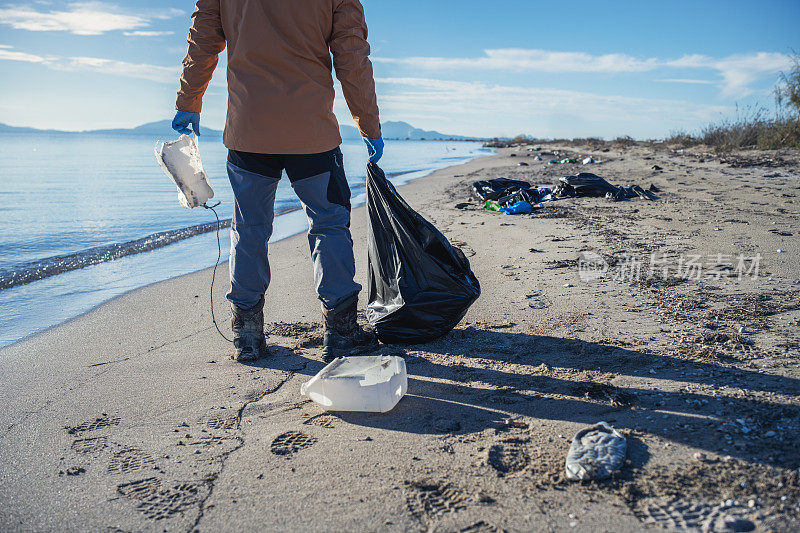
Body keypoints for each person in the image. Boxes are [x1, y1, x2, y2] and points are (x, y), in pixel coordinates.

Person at [172, 0, 383, 363]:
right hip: (312, 131)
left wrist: (189, 101)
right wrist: (368, 123)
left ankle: (247, 334)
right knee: (329, 224)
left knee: (249, 228)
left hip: (248, 129)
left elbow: (202, 42)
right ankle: (342, 331)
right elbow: (351, 54)